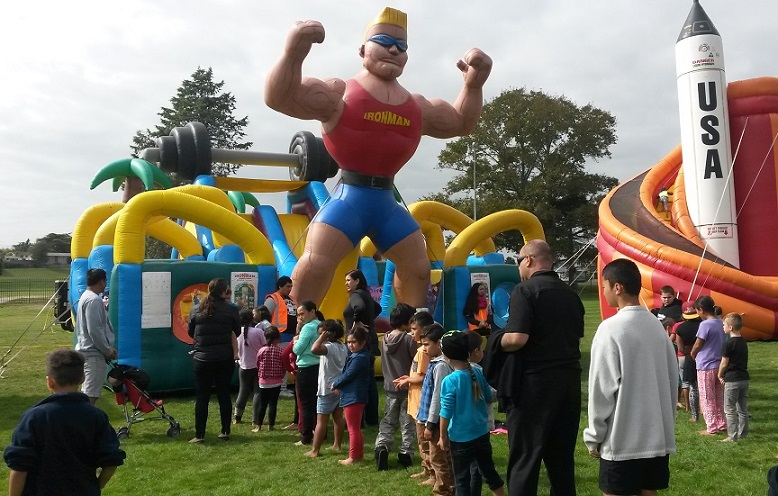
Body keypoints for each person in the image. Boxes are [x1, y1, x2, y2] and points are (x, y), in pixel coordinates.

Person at [265, 7, 492, 310]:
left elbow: (461, 122)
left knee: (418, 267)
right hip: (349, 198)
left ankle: (413, 328)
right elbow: (281, 97)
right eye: (385, 41)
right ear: (363, 49)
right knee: (317, 263)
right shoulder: (340, 93)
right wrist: (293, 52)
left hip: (385, 202)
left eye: (402, 46)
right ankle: (296, 329)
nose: (394, 50)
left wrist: (473, 85)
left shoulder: (416, 107)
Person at [492, 239, 584, 496]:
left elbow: (518, 338)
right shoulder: (570, 294)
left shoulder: (525, 290)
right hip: (568, 382)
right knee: (561, 461)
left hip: (534, 384)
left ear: (529, 260)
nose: (519, 267)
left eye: (519, 261)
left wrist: (495, 339)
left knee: (525, 459)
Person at [583, 259, 677, 496]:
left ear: (617, 287)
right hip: (657, 440)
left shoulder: (610, 329)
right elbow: (671, 380)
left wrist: (594, 436)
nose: (602, 291)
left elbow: (601, 389)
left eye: (604, 286)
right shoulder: (658, 327)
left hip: (622, 442)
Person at [4, 349, 126, 495]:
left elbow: (19, 467)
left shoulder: (33, 418)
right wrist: (96, 486)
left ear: (49, 381)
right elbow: (111, 460)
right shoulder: (96, 416)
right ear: (82, 378)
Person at [438, 331, 505, 496]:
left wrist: (442, 436)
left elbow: (445, 411)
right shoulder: (478, 372)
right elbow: (489, 397)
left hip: (460, 439)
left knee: (461, 480)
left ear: (445, 355)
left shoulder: (450, 380)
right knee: (489, 472)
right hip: (482, 433)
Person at [187, 277, 240, 443]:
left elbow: (191, 332)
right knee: (224, 394)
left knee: (202, 397)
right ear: (224, 292)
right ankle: (225, 431)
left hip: (202, 358)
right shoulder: (231, 310)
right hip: (224, 357)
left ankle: (199, 435)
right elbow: (236, 331)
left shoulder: (196, 309)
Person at [374, 303, 417, 471]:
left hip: (389, 386)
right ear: (407, 321)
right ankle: (406, 452)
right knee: (408, 422)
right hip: (407, 387)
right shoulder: (408, 339)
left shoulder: (384, 339)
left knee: (388, 421)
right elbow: (416, 358)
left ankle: (382, 446)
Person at [394, 310, 436, 481]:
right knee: (421, 441)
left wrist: (408, 381)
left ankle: (433, 473)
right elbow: (417, 374)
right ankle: (426, 469)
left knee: (426, 442)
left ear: (425, 329)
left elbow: (423, 376)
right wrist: (408, 378)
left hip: (422, 404)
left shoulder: (423, 351)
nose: (411, 332)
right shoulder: (420, 349)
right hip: (416, 402)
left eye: (414, 329)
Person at [416, 323, 455, 495]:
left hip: (436, 420)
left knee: (439, 458)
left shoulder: (441, 366)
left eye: (426, 344)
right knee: (436, 456)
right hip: (426, 417)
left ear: (439, 343)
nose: (423, 348)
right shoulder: (434, 363)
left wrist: (430, 424)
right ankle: (443, 485)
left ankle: (444, 490)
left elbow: (438, 397)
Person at [343, 269, 381, 426]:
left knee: (358, 379)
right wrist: (369, 320)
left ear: (357, 281)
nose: (346, 283)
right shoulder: (366, 294)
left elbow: (358, 308)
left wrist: (357, 321)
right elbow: (377, 309)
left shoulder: (356, 295)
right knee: (369, 380)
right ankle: (371, 418)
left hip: (359, 342)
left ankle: (360, 419)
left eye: (348, 280)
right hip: (369, 339)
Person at [306, 319, 348, 457]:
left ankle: (315, 450)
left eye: (322, 333)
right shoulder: (343, 346)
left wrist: (320, 339)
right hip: (339, 387)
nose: (320, 335)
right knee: (338, 418)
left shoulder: (329, 347)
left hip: (326, 388)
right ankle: (337, 444)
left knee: (321, 421)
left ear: (330, 334)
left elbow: (314, 349)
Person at [332, 324, 373, 465]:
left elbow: (349, 374)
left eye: (354, 342)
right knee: (354, 427)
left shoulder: (359, 358)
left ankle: (353, 456)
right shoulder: (359, 355)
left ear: (362, 342)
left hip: (354, 396)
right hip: (354, 394)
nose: (350, 345)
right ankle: (358, 455)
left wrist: (335, 383)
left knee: (352, 428)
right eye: (348, 342)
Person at [75, 268, 117, 404]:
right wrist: (107, 350)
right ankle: (84, 423)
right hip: (93, 353)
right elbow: (95, 330)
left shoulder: (86, 297)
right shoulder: (93, 300)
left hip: (86, 350)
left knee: (88, 391)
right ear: (102, 281)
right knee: (90, 394)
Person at [690, 295, 727, 435]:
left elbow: (699, 343)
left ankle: (711, 426)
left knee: (706, 396)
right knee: (718, 395)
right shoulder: (721, 322)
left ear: (701, 310)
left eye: (697, 311)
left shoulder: (705, 325)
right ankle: (722, 422)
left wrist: (693, 353)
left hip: (706, 364)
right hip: (720, 363)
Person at [292, 300, 322, 445]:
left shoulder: (309, 328)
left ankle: (306, 437)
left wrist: (295, 341)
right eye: (298, 314)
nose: (300, 317)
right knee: (317, 403)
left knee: (306, 405)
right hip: (318, 366)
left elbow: (297, 349)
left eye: (303, 313)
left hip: (306, 367)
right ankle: (320, 432)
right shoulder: (320, 325)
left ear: (312, 311)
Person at [233, 307, 268, 427]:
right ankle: (255, 420)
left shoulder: (236, 333)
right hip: (258, 367)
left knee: (243, 392)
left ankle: (237, 417)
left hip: (243, 366)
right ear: (251, 318)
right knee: (257, 393)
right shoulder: (258, 332)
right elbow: (265, 346)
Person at [719, 312, 749, 442]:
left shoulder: (728, 344)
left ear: (730, 327)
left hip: (732, 379)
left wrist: (719, 374)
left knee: (729, 408)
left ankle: (732, 436)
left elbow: (724, 362)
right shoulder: (743, 341)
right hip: (744, 378)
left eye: (724, 325)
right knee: (742, 408)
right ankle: (743, 433)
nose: (723, 327)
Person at [675, 301, 701, 420]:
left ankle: (694, 414)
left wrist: (688, 351)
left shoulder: (680, 328)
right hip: (703, 357)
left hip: (689, 358)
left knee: (691, 387)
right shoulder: (704, 325)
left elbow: (680, 348)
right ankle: (704, 410)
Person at [255, 326, 285, 432]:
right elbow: (283, 365)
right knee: (273, 404)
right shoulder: (281, 351)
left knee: (262, 404)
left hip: (264, 381)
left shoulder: (261, 350)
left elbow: (258, 363)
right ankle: (271, 425)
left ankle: (258, 426)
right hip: (277, 381)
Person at [264, 276, 297, 343]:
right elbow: (264, 316)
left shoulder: (293, 299)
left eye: (291, 287)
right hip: (279, 334)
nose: (290, 289)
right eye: (288, 286)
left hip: (293, 333)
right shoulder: (272, 299)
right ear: (280, 286)